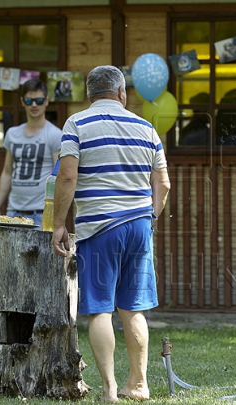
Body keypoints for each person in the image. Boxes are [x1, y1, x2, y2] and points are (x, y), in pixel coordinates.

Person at [51, 65, 170, 402]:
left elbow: (68, 177)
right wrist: (151, 218)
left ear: (89, 95)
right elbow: (163, 184)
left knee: (100, 309)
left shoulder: (77, 124)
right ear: (122, 93)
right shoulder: (146, 127)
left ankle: (110, 389)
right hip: (138, 225)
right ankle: (139, 384)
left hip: (99, 229)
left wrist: (59, 224)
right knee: (133, 308)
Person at [0, 79, 61, 228]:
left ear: (46, 101)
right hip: (13, 211)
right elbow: (7, 172)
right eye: (29, 100)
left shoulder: (55, 134)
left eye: (39, 100)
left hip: (41, 213)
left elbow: (59, 177)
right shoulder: (12, 134)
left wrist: (57, 215)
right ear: (22, 101)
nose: (34, 105)